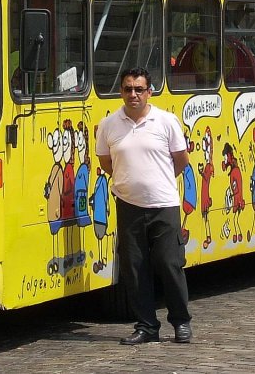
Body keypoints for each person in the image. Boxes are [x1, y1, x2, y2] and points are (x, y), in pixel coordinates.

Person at [96, 67, 192, 345]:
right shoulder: (110, 124)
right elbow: (106, 162)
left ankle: (181, 322)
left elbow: (181, 159)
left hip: (164, 204)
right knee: (134, 267)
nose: (133, 94)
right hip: (128, 205)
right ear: (121, 92)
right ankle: (147, 326)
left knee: (169, 262)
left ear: (149, 92)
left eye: (139, 89)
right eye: (128, 89)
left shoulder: (166, 121)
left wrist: (157, 180)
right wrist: (130, 183)